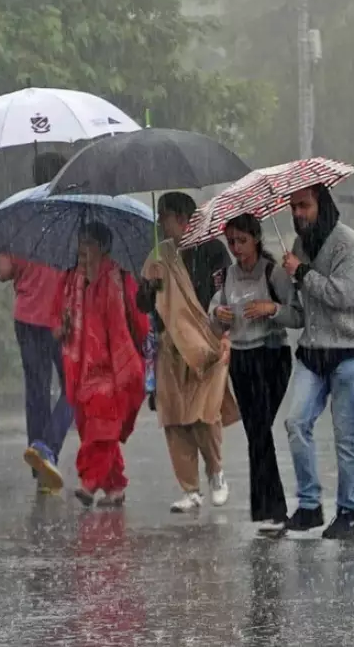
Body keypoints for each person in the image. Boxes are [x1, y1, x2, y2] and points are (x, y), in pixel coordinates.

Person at [282, 184, 354, 539]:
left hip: (352, 351)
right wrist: (273, 308)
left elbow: (340, 295)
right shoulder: (298, 247)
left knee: (347, 437)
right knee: (295, 423)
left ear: (321, 205)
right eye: (293, 206)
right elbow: (299, 310)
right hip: (313, 351)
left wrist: (303, 273)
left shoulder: (347, 243)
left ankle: (350, 512)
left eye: (303, 205)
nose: (297, 213)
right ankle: (309, 506)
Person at [138, 192, 235, 514]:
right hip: (171, 346)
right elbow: (142, 304)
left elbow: (226, 295)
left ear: (182, 218)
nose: (159, 223)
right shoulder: (158, 256)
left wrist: (222, 332)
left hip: (209, 342)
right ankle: (190, 489)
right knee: (175, 418)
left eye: (163, 216)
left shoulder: (213, 250)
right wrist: (148, 288)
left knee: (205, 414)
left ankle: (216, 473)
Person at [210, 213, 301, 535]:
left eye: (242, 241)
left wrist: (271, 309)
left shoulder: (272, 273)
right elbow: (215, 316)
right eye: (231, 241)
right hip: (242, 360)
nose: (236, 248)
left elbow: (297, 315)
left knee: (260, 430)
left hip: (272, 357)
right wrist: (218, 316)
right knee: (255, 433)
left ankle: (273, 510)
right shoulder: (224, 277)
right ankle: (268, 510)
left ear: (256, 239)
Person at [55, 223, 148, 508]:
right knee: (90, 426)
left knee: (103, 428)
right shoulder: (71, 280)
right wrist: (62, 325)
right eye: (80, 242)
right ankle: (115, 486)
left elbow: (139, 319)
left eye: (89, 243)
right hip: (82, 366)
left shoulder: (119, 277)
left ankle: (90, 481)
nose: (83, 250)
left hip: (114, 368)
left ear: (103, 247)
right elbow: (57, 317)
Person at [0, 151, 73, 494]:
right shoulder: (71, 215)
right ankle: (49, 449)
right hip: (64, 317)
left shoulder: (18, 215)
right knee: (74, 386)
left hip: (27, 317)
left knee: (37, 391)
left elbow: (3, 272)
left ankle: (39, 458)